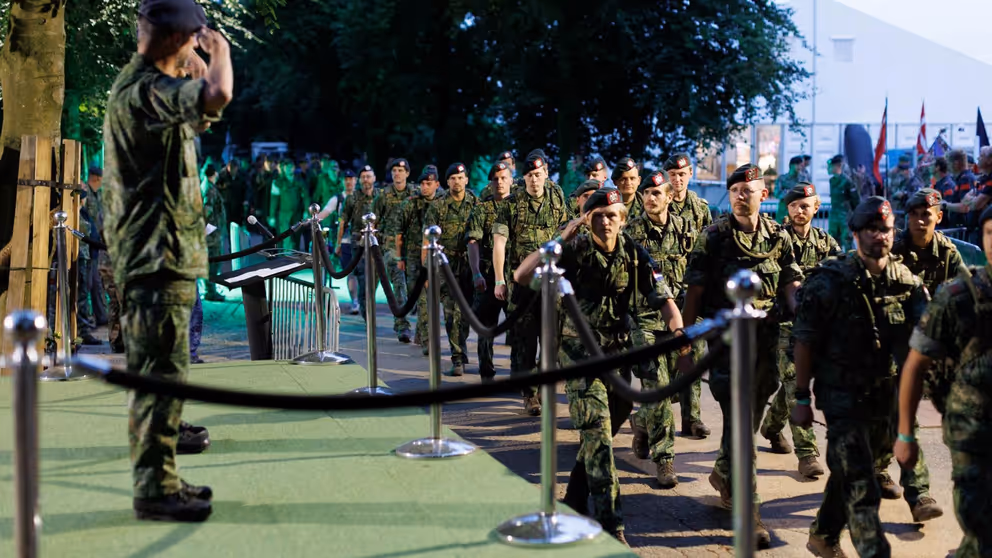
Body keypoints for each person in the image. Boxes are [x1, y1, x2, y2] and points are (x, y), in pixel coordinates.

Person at [103, 0, 231, 521]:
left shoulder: (145, 86)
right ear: (183, 39)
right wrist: (218, 50)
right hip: (157, 255)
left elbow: (196, 113)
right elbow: (217, 92)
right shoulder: (147, 91)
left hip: (158, 252)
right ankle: (155, 489)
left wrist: (188, 60)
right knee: (158, 370)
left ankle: (165, 460)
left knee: (164, 368)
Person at [514, 187, 693, 546]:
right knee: (597, 433)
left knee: (606, 429)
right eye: (598, 215)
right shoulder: (572, 252)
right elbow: (522, 275)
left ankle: (575, 500)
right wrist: (564, 233)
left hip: (617, 356)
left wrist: (677, 329)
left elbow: (663, 296)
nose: (606, 221)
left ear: (623, 219)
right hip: (579, 357)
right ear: (588, 219)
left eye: (613, 215)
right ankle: (613, 525)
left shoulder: (633, 254)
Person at [792, 197, 930, 557]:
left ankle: (822, 535)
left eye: (884, 229)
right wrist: (801, 398)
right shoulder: (829, 280)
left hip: (885, 397)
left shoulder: (906, 282)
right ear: (855, 235)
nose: (879, 236)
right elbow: (804, 342)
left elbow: (928, 338)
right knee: (861, 483)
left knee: (851, 470)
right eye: (871, 229)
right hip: (840, 396)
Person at [682, 164, 803, 548]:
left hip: (766, 346)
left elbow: (791, 282)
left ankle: (722, 473)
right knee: (742, 428)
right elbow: (695, 293)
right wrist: (684, 344)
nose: (740, 195)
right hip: (725, 347)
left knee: (746, 423)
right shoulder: (714, 236)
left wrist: (802, 317)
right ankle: (749, 514)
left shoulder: (779, 236)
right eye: (735, 189)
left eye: (748, 189)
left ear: (762, 194)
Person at [895, 205, 992, 558]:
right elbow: (915, 365)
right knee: (976, 512)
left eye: (929, 213)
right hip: (970, 422)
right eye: (990, 233)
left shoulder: (949, 254)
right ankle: (916, 489)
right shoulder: (958, 295)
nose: (922, 220)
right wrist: (906, 434)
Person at [624, 170, 698, 487]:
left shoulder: (688, 231)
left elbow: (699, 273)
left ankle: (642, 422)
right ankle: (665, 460)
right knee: (658, 387)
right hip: (643, 321)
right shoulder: (630, 233)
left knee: (677, 390)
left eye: (657, 193)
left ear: (670, 196)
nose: (650, 199)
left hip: (679, 321)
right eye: (646, 194)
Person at [759, 182, 836, 479]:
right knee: (793, 383)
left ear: (816, 208)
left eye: (806, 206)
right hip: (783, 325)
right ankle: (807, 454)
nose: (800, 211)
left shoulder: (826, 243)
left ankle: (771, 425)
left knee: (794, 384)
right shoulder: (776, 240)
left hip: (816, 327)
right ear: (787, 209)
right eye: (794, 206)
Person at [493, 151, 569, 415]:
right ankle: (530, 395)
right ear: (523, 177)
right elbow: (499, 243)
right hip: (523, 285)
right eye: (529, 176)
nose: (534, 181)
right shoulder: (511, 204)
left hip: (551, 283)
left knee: (552, 339)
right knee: (526, 340)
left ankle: (538, 379)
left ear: (546, 173)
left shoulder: (557, 196)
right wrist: (499, 279)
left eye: (538, 175)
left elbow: (564, 232)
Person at [662, 152, 712, 435]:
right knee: (666, 360)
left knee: (693, 354)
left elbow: (709, 249)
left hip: (692, 292)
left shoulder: (701, 208)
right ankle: (654, 416)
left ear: (690, 174)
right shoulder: (658, 203)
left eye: (682, 175)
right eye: (673, 175)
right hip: (663, 294)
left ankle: (691, 419)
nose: (678, 180)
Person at [424, 163, 477, 376]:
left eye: (460, 177)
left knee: (465, 313)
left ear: (466, 180)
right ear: (447, 182)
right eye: (453, 178)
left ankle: (461, 350)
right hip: (444, 268)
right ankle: (456, 358)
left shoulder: (475, 203)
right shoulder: (438, 206)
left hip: (469, 267)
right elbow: (427, 240)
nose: (457, 181)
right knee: (450, 313)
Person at [467, 162, 512, 380]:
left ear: (512, 180)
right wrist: (476, 272)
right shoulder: (482, 209)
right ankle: (486, 371)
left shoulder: (519, 207)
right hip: (487, 275)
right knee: (486, 327)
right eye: (496, 179)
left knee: (521, 328)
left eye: (504, 178)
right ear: (490, 183)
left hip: (515, 276)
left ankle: (522, 375)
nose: (500, 182)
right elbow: (473, 241)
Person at [392, 168, 442, 353]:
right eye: (422, 183)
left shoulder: (442, 202)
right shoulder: (410, 204)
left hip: (438, 256)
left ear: (437, 184)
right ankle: (428, 339)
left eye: (429, 183)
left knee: (433, 298)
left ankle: (422, 332)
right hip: (414, 258)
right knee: (421, 298)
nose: (424, 187)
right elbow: (398, 232)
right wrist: (399, 257)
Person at [372, 158, 416, 343]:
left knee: (416, 288)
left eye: (401, 170)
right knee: (400, 286)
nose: (397, 173)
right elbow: (373, 221)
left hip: (413, 245)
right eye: (394, 170)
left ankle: (423, 328)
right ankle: (402, 326)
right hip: (391, 248)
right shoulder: (383, 195)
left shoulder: (416, 193)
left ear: (407, 173)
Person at [336, 165, 377, 320]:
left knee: (376, 275)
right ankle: (364, 309)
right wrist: (338, 244)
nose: (366, 179)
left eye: (369, 176)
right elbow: (343, 222)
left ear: (374, 178)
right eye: (363, 177)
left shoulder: (381, 196)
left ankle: (368, 302)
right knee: (359, 275)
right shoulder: (351, 198)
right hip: (357, 243)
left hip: (376, 243)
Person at [319, 168, 358, 313]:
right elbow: (326, 212)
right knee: (351, 273)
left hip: (361, 241)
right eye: (346, 179)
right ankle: (355, 301)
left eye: (351, 179)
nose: (349, 182)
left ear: (356, 181)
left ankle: (363, 299)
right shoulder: (338, 198)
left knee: (366, 274)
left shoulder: (362, 197)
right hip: (346, 242)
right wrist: (312, 220)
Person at [202, 164, 227, 301]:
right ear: (215, 174)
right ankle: (210, 292)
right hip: (211, 235)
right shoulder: (209, 189)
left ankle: (210, 290)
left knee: (212, 262)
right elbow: (207, 210)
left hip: (212, 233)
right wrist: (207, 230)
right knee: (213, 262)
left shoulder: (206, 186)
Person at [827, 154, 860, 250]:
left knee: (847, 241)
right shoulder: (832, 181)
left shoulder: (847, 181)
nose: (829, 169)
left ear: (838, 166)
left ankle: (851, 263)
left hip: (845, 217)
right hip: (834, 216)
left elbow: (855, 200)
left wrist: (855, 214)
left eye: (831, 166)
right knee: (833, 243)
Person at [774, 156, 802, 223]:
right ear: (791, 165)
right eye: (797, 164)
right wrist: (789, 193)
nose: (799, 167)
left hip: (797, 212)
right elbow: (776, 193)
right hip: (783, 212)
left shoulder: (803, 179)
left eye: (800, 165)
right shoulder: (782, 178)